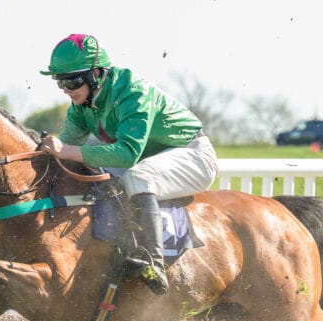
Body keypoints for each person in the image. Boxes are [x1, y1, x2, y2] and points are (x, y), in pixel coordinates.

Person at [38, 34, 218, 295]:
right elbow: (65, 150)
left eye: (71, 81)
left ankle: (154, 264)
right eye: (60, 82)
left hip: (192, 154)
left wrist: (65, 150)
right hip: (149, 158)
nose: (66, 89)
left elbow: (126, 155)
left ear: (96, 75)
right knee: (86, 171)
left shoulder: (133, 91)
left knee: (138, 177)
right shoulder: (81, 105)